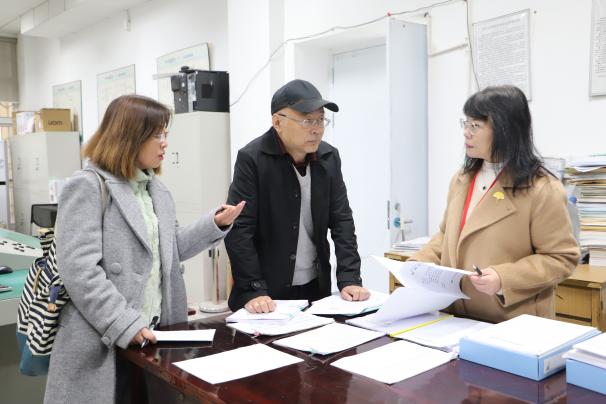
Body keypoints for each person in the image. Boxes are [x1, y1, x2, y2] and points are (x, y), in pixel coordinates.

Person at [44, 95, 244, 404]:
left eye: (165, 133)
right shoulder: (87, 185)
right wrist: (124, 323)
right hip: (105, 340)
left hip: (153, 337)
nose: (165, 143)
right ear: (129, 137)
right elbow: (80, 271)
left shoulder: (156, 190)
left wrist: (214, 224)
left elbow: (169, 250)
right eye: (157, 135)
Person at [410, 85, 579, 323]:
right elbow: (447, 236)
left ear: (504, 129)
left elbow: (560, 258)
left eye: (475, 126)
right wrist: (419, 263)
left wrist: (504, 278)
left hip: (512, 322)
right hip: (456, 317)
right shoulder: (461, 179)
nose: (466, 133)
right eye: (465, 123)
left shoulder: (542, 189)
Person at [225, 79, 370, 313]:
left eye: (320, 120)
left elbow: (342, 221)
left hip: (316, 287)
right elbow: (239, 230)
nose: (316, 129)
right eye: (307, 121)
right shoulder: (252, 159)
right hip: (266, 292)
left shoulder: (329, 157)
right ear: (277, 122)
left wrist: (350, 278)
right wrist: (254, 289)